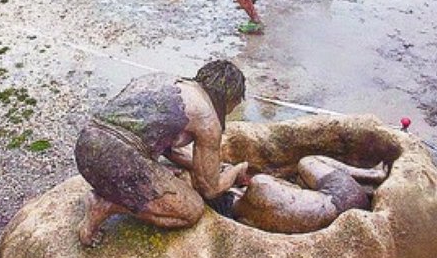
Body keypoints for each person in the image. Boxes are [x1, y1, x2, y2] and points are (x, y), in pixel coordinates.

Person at [74, 60, 250, 247]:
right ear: (230, 98)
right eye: (233, 107)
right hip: (117, 159)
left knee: (172, 175)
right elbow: (210, 188)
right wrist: (236, 170)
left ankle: (113, 195)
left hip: (86, 148)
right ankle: (106, 205)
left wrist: (209, 166)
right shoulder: (207, 118)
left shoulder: (165, 81)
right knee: (192, 209)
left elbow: (169, 147)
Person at [231, 156, 389, 234]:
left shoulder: (245, 218)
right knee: (307, 162)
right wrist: (236, 170)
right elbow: (290, 186)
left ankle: (367, 185)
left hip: (329, 220)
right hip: (345, 197)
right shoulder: (260, 183)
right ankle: (373, 174)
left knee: (301, 180)